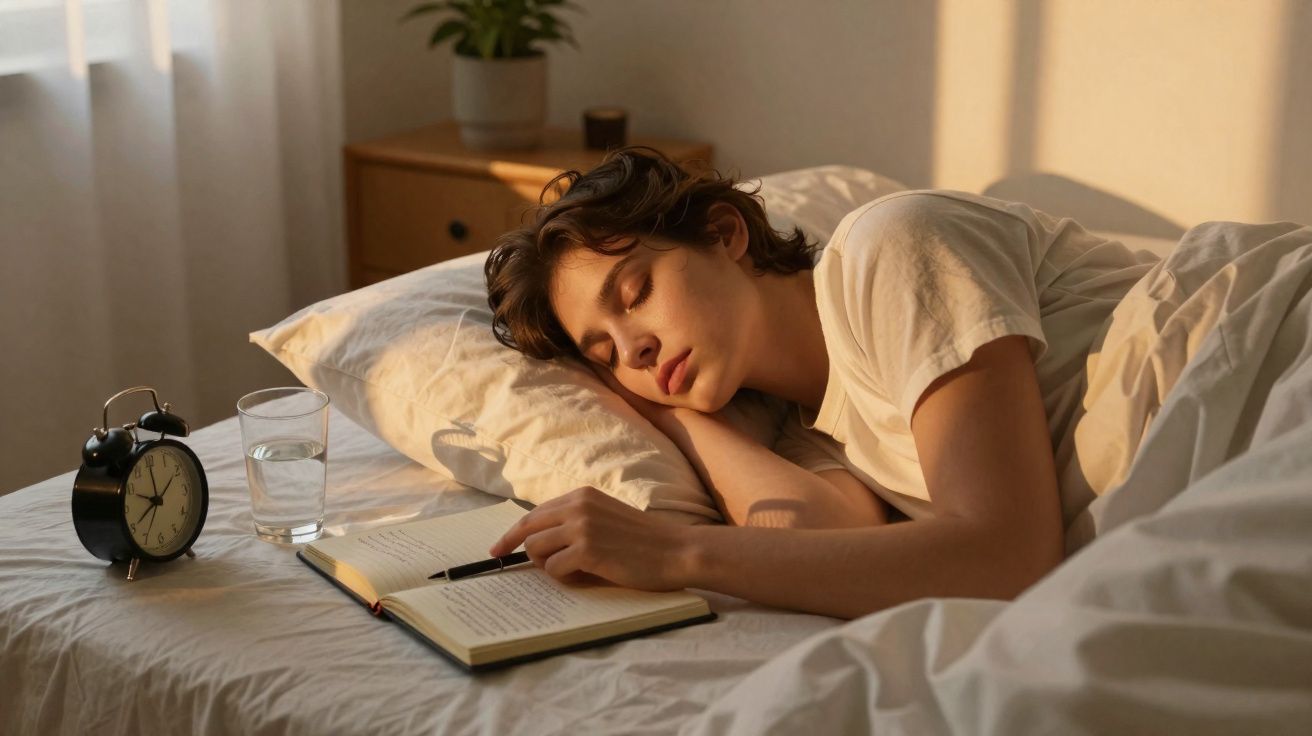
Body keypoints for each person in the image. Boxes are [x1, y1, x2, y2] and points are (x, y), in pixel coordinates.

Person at [481, 147, 1157, 620]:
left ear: (724, 234)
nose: (634, 348)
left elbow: (1007, 555)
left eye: (636, 293)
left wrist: (675, 552)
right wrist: (673, 417)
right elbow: (818, 546)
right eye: (606, 353)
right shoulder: (811, 431)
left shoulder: (890, 248)